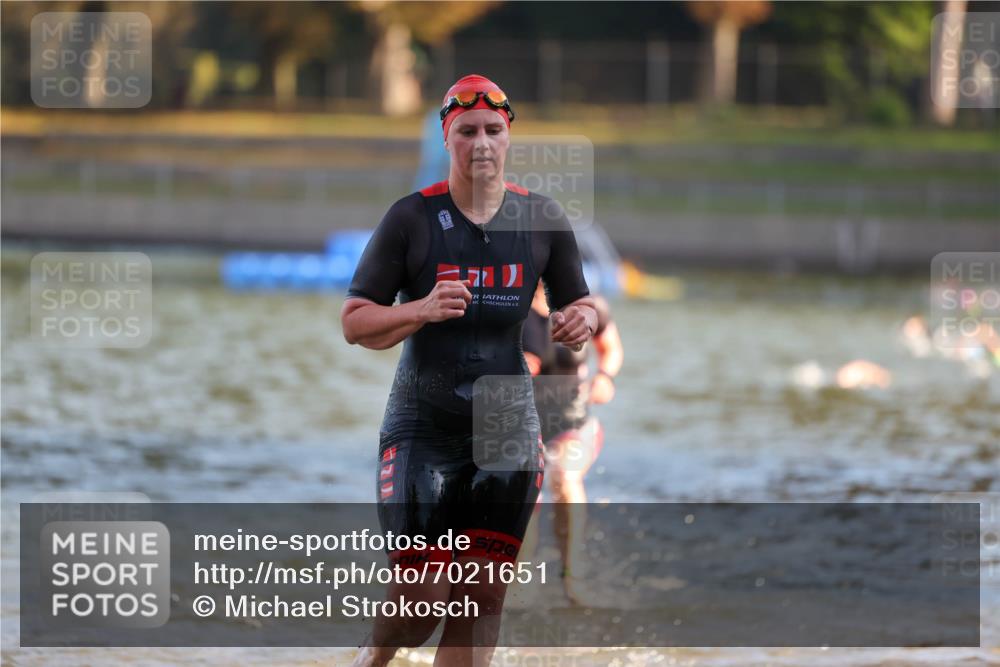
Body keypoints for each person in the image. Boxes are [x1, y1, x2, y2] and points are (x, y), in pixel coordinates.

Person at [341, 74, 598, 667]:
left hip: (507, 426)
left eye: (492, 130)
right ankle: (371, 657)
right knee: (420, 604)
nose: (480, 143)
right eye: (466, 132)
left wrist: (578, 320)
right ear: (446, 136)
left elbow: (578, 300)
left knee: (480, 599)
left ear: (509, 136)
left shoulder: (542, 219)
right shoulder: (411, 219)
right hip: (423, 425)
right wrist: (421, 308)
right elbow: (355, 322)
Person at [520, 282, 623, 603]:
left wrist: (605, 376)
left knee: (563, 476)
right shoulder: (507, 307)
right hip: (520, 425)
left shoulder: (587, 306)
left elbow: (611, 347)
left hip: (574, 422)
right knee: (524, 504)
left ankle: (571, 575)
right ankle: (521, 582)